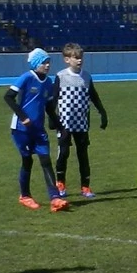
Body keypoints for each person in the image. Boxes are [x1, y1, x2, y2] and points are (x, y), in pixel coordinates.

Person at [5, 48, 67, 211]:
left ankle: (55, 198)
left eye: (48, 62)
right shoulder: (27, 78)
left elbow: (49, 108)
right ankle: (25, 196)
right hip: (21, 129)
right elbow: (8, 97)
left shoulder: (48, 82)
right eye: (44, 62)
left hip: (38, 129)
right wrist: (23, 117)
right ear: (35, 63)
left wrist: (61, 127)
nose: (47, 65)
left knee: (46, 160)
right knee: (27, 160)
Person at [52, 42, 109, 199]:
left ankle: (85, 186)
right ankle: (60, 184)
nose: (79, 60)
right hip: (64, 123)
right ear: (67, 59)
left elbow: (94, 96)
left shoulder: (87, 77)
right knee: (63, 153)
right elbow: (53, 98)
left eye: (80, 57)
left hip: (82, 122)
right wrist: (53, 119)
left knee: (83, 155)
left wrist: (102, 113)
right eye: (75, 57)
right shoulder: (61, 76)